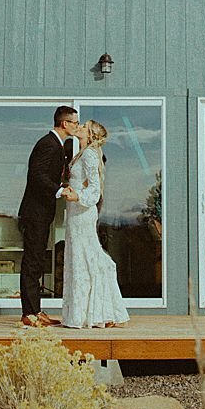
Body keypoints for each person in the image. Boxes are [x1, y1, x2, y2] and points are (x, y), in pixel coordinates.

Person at [60, 120, 130, 329]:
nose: (79, 126)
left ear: (90, 134)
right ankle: (83, 312)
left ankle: (91, 313)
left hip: (82, 212)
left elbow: (95, 189)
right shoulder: (82, 153)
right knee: (79, 257)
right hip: (75, 212)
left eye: (84, 126)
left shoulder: (90, 155)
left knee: (84, 259)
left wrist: (77, 196)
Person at [18, 104, 79, 327]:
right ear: (64, 123)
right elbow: (37, 175)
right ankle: (29, 314)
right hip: (35, 212)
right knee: (32, 262)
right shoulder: (48, 144)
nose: (77, 126)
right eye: (75, 122)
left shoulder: (58, 146)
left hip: (42, 212)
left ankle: (36, 311)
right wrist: (60, 190)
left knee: (37, 261)